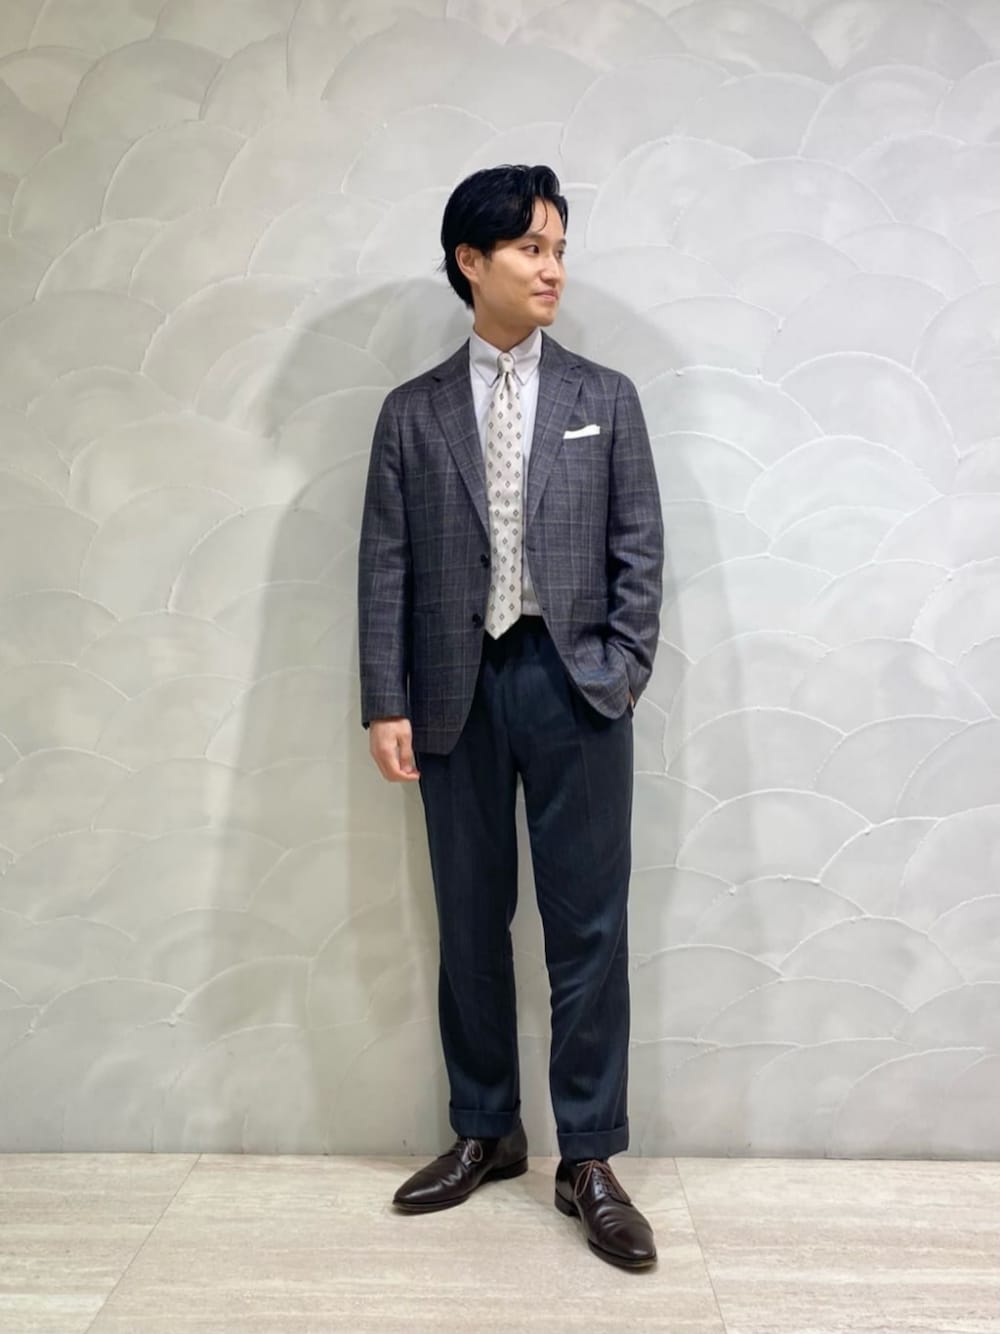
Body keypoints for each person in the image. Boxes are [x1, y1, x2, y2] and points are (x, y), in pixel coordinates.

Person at [357, 163, 664, 1270]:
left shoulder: (604, 398)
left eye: (559, 248)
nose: (552, 268)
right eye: (532, 247)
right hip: (454, 691)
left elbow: (639, 548)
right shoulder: (411, 412)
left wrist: (621, 668)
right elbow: (385, 563)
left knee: (589, 929)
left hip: (575, 686)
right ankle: (485, 1129)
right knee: (469, 918)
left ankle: (589, 1156)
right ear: (470, 260)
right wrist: (385, 699)